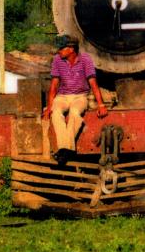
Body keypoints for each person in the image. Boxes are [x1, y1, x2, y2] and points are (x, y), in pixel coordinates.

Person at [43, 34, 108, 163]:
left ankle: (63, 151)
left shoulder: (85, 59)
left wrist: (101, 105)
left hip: (80, 96)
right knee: (55, 113)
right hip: (62, 96)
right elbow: (54, 86)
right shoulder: (57, 60)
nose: (59, 51)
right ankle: (67, 149)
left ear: (71, 49)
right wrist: (49, 107)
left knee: (74, 112)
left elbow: (93, 83)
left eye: (61, 48)